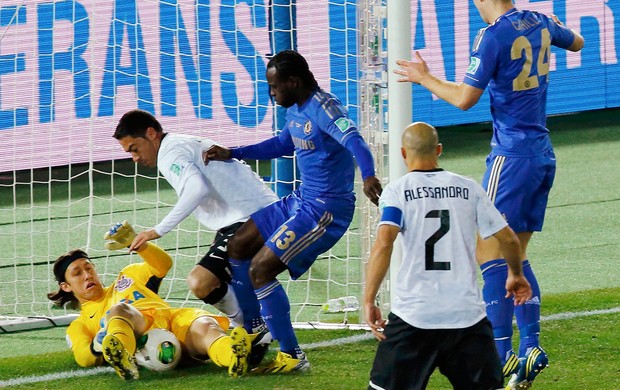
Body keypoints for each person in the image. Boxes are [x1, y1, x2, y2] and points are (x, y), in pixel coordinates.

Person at [393, 2, 584, 388]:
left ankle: (501, 354)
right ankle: (530, 346)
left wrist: (424, 77)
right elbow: (578, 42)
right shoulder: (541, 20)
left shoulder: (492, 35)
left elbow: (464, 98)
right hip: (542, 154)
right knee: (516, 252)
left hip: (510, 157)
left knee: (486, 252)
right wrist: (556, 27)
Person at [204, 49, 383, 373]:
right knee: (238, 245)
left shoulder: (325, 108)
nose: (271, 93)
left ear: (294, 81)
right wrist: (233, 152)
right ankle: (254, 328)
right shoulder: (297, 110)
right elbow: (282, 144)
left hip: (325, 211)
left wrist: (368, 174)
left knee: (261, 270)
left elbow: (357, 142)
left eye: (274, 87)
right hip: (302, 200)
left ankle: (292, 355)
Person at [365, 122, 532, 390]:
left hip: (414, 316)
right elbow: (509, 239)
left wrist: (369, 299)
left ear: (403, 154)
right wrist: (516, 274)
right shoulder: (469, 188)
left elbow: (385, 243)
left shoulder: (396, 192)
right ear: (439, 150)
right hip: (466, 318)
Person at [113, 109, 278, 351]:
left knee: (200, 281)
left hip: (252, 218)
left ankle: (251, 327)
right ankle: (252, 325)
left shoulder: (169, 153)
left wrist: (156, 230)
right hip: (252, 215)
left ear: (151, 133)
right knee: (215, 281)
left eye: (135, 148)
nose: (134, 158)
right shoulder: (179, 145)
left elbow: (196, 189)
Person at [47, 221, 253, 380]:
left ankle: (233, 357)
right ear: (66, 286)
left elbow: (163, 265)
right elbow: (83, 357)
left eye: (89, 268)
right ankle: (124, 358)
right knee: (120, 311)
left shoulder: (128, 275)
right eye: (77, 273)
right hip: (143, 342)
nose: (87, 275)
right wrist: (99, 344)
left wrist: (139, 245)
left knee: (206, 326)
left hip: (172, 321)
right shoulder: (80, 324)